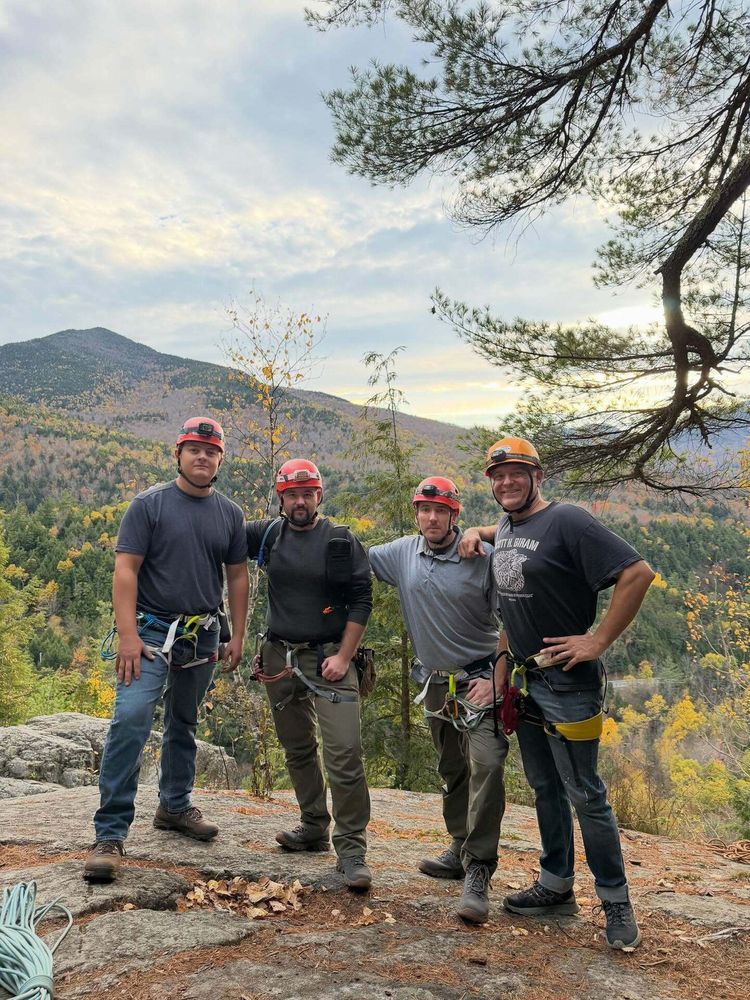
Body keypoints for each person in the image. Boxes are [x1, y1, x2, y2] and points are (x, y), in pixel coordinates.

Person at [459, 436, 655, 949]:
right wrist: (502, 665)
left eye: (517, 474)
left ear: (537, 477)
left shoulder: (568, 520)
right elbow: (513, 609)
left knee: (586, 795)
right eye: (498, 476)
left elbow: (637, 573)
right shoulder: (506, 525)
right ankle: (555, 885)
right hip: (525, 682)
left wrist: (598, 640)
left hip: (568, 683)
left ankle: (615, 902)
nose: (506, 482)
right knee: (545, 788)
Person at [84, 417, 249, 881]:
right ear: (178, 454)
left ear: (220, 459)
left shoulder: (229, 514)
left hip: (203, 633)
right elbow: (126, 570)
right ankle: (110, 832)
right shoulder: (149, 505)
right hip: (150, 632)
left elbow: (237, 576)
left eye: (210, 450)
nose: (202, 456)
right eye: (193, 449)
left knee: (184, 720)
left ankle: (174, 806)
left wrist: (237, 634)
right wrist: (127, 636)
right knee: (131, 720)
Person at [368, 477, 508, 924]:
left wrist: (499, 681)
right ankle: (458, 845)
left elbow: (513, 620)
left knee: (486, 763)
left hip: (478, 681)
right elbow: (352, 558)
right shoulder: (402, 553)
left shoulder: (481, 560)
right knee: (452, 768)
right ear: (417, 514)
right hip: (436, 685)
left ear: (455, 515)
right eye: (423, 509)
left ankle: (479, 868)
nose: (431, 518)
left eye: (440, 511)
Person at [247, 459, 373, 889]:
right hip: (279, 656)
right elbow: (213, 533)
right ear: (280, 498)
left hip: (329, 658)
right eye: (291, 495)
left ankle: (352, 849)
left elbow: (361, 600)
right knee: (297, 747)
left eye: (307, 494)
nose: (300, 502)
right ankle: (314, 824)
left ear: (319, 496)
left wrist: (344, 656)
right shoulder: (267, 535)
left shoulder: (340, 541)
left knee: (344, 754)